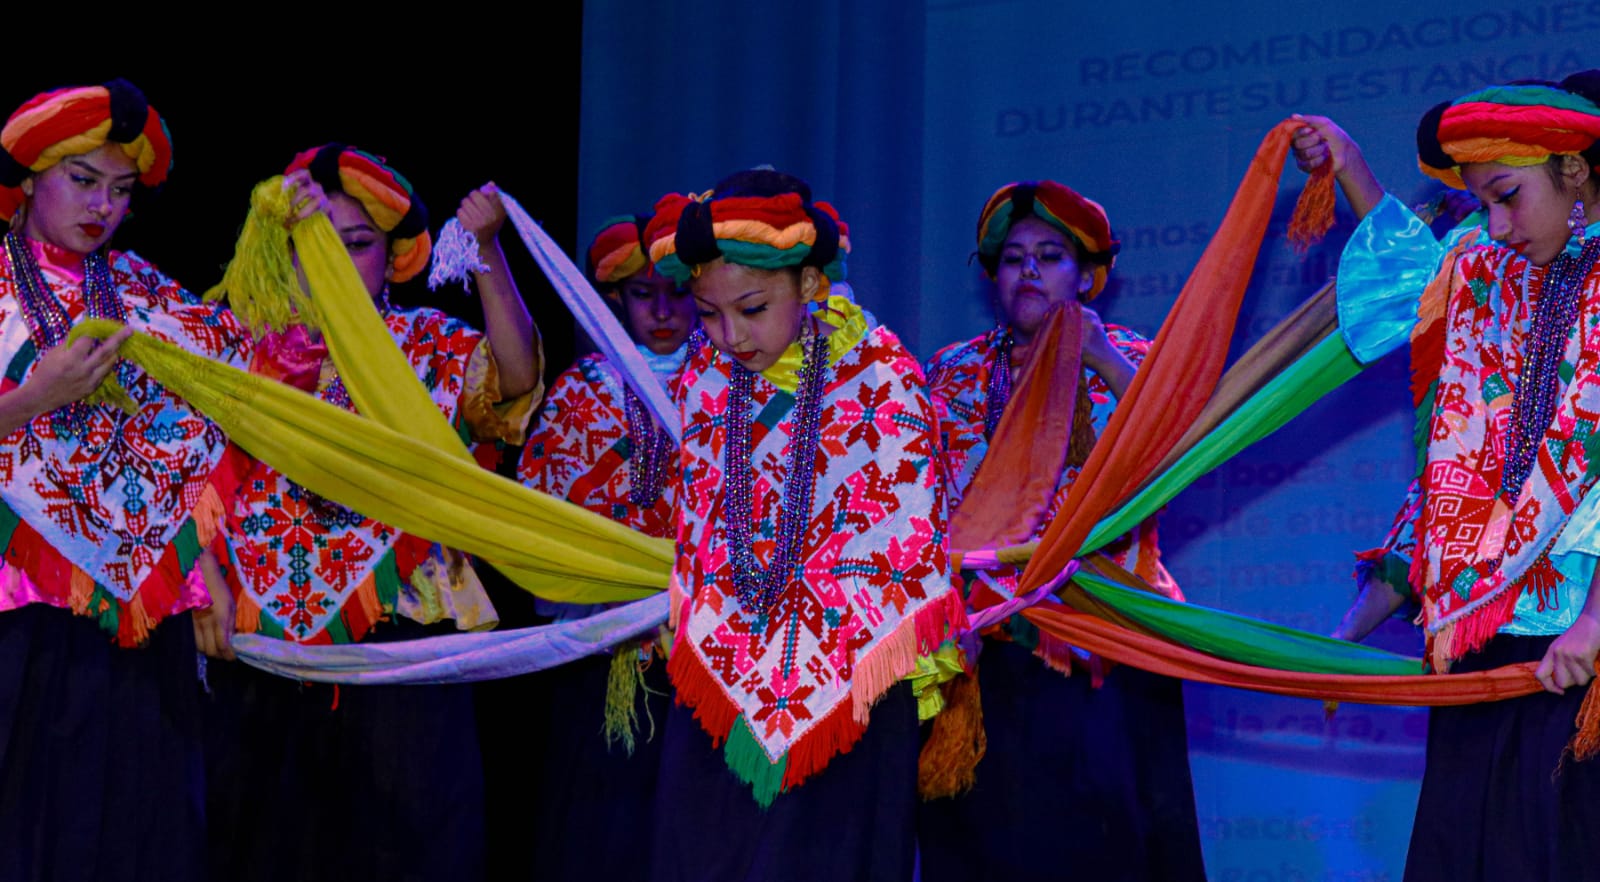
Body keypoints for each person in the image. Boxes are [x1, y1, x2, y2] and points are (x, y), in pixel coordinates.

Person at [201, 145, 542, 882]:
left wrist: (485, 252)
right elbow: (188, 480)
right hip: (269, 650)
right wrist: (207, 585)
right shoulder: (239, 349)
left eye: (356, 245)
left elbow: (510, 384)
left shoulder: (424, 343)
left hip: (403, 645)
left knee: (411, 852)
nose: (332, 260)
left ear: (393, 257)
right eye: (311, 243)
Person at [1297, 74, 1600, 880]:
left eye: (1507, 196)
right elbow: (1409, 292)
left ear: (1575, 171)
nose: (1495, 224)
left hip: (1577, 646)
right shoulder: (1486, 272)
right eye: (1482, 204)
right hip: (1484, 642)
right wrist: (1354, 168)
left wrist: (1594, 624)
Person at [641, 169, 966, 882]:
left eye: (751, 308)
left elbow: (904, 538)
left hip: (850, 683)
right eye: (710, 314)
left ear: (811, 284)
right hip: (723, 667)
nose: (731, 336)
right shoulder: (703, 378)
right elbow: (697, 528)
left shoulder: (880, 375)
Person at [0, 79, 253, 882]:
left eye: (120, 191)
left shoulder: (146, 293)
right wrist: (36, 398)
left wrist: (207, 565)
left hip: (146, 611)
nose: (102, 207)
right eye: (82, 181)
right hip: (21, 609)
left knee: (143, 826)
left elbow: (205, 431)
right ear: (31, 177)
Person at [916, 180, 1205, 882]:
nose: (1030, 271)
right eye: (1014, 258)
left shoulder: (1132, 357)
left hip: (1107, 636)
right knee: (987, 841)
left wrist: (1101, 355)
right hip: (988, 643)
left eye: (1050, 256)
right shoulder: (954, 372)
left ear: (1088, 276)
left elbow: (1183, 448)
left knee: (1112, 841)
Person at [515, 212, 695, 879]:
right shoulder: (580, 392)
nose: (663, 311)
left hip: (698, 645)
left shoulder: (724, 389)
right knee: (595, 822)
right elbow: (540, 506)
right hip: (599, 642)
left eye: (677, 293)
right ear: (616, 299)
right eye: (644, 294)